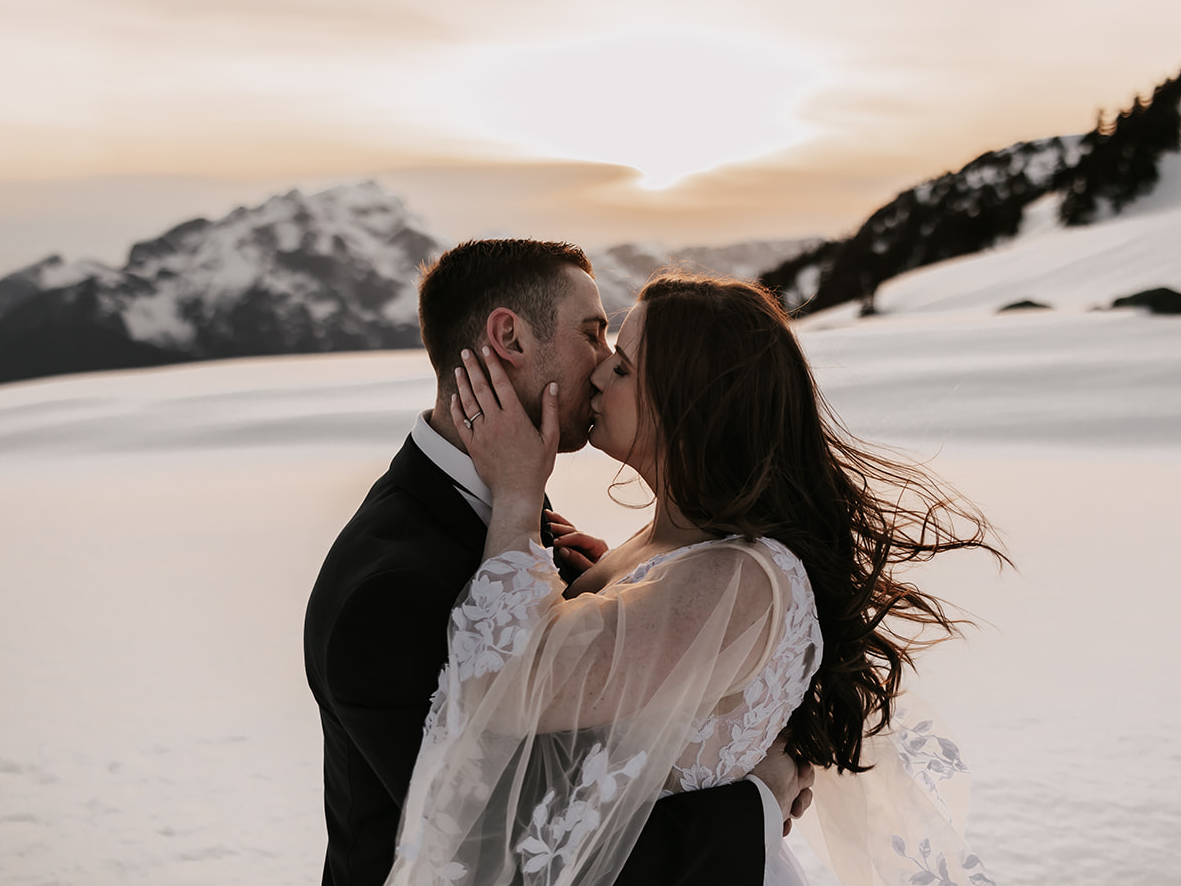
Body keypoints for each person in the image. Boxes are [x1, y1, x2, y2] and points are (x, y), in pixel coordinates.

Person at [387, 273, 1007, 886]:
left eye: (624, 367)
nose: (599, 373)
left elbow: (508, 684)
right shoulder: (678, 553)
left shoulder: (736, 579)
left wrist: (518, 496)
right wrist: (611, 593)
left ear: (687, 407)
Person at [304, 241, 810, 886]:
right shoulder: (390, 589)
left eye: (617, 355)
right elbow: (496, 846)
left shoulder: (521, 505)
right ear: (508, 337)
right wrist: (752, 798)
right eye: (594, 334)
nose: (603, 367)